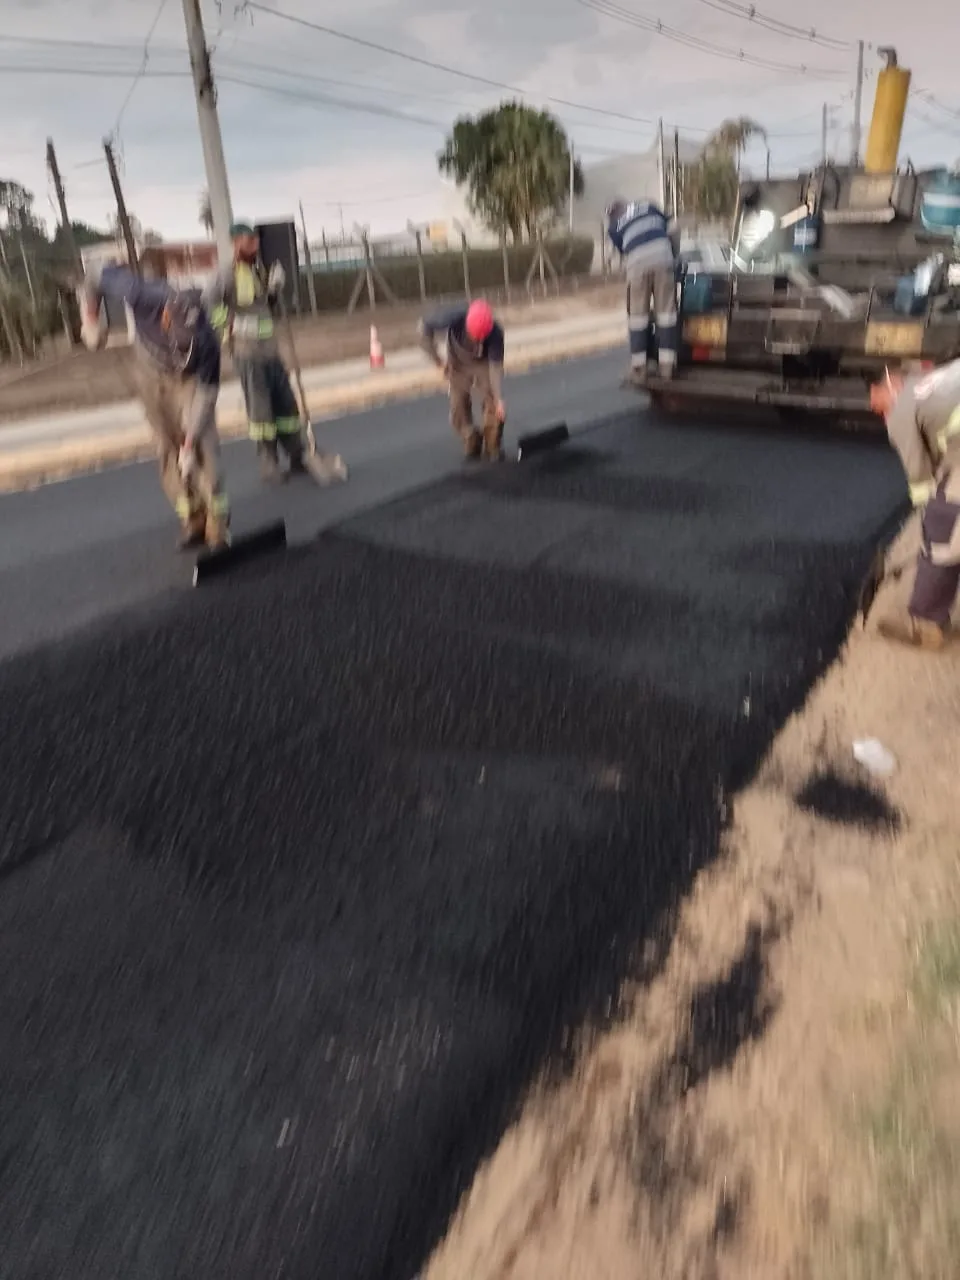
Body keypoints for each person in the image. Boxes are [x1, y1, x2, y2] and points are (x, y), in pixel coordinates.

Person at [77, 257, 230, 551]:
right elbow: (93, 274)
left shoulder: (208, 342)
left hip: (190, 382)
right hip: (150, 370)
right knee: (167, 446)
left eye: (190, 348)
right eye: (181, 347)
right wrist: (91, 319)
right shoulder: (140, 293)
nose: (185, 353)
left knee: (203, 447)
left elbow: (206, 397)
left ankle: (218, 526)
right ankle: (192, 517)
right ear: (165, 319)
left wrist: (190, 442)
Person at [202, 222, 306, 482]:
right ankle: (268, 464)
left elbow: (265, 307)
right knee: (261, 411)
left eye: (256, 240)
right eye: (249, 240)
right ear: (236, 243)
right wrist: (233, 323)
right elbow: (209, 306)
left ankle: (298, 454)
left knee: (286, 405)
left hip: (271, 350)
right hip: (247, 354)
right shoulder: (225, 275)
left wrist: (273, 290)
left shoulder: (260, 270)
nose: (255, 244)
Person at [869, 359, 960, 649]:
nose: (875, 408)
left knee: (942, 531)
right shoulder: (931, 380)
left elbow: (920, 477)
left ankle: (926, 626)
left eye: (875, 398)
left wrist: (928, 521)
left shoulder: (902, 412)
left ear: (890, 383)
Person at [417, 298, 506, 460]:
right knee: (458, 404)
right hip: (458, 361)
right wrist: (438, 361)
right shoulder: (451, 317)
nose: (478, 341)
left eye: (482, 338)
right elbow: (424, 328)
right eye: (475, 336)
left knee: (492, 398)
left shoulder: (496, 333)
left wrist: (498, 398)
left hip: (483, 362)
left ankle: (492, 446)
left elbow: (494, 368)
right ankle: (471, 438)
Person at [605, 197, 680, 384]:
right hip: (663, 258)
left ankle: (640, 369)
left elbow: (623, 252)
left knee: (638, 318)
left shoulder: (614, 227)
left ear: (613, 215)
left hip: (637, 265)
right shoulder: (649, 206)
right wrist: (674, 255)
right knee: (667, 316)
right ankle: (667, 369)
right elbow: (673, 228)